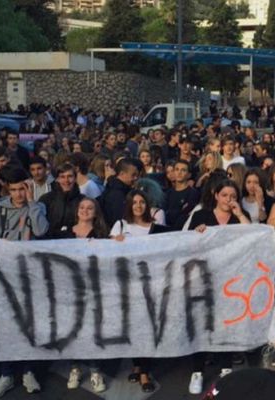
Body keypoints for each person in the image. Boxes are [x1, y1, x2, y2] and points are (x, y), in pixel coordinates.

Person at [0, 167, 49, 397]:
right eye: (14, 190)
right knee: (6, 325)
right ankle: (6, 374)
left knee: (29, 323)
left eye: (22, 189)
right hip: (6, 275)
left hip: (31, 275)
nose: (18, 194)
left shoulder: (38, 206)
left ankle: (28, 371)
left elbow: (41, 231)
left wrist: (32, 203)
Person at [187, 180, 250, 395]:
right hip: (204, 278)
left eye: (233, 196)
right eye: (224, 195)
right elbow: (186, 243)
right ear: (216, 195)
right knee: (202, 322)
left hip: (231, 280)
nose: (228, 200)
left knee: (226, 322)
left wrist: (240, 214)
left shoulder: (238, 218)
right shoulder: (201, 216)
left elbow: (251, 237)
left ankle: (225, 367)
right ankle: (198, 370)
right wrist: (197, 233)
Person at [109, 190, 171, 393]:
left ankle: (144, 371)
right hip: (127, 286)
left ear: (147, 205)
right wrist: (113, 242)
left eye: (142, 202)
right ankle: (137, 364)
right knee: (133, 327)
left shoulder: (157, 228)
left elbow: (179, 241)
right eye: (134, 202)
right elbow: (107, 254)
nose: (138, 205)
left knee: (147, 328)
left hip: (150, 285)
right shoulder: (120, 225)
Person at [39, 162, 84, 238]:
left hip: (75, 240)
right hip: (50, 241)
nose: (66, 180)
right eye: (62, 177)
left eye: (70, 176)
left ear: (75, 178)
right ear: (57, 179)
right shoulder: (46, 199)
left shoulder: (83, 200)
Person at [100, 158, 139, 228]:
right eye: (133, 175)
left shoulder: (115, 188)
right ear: (122, 174)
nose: (136, 178)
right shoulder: (117, 195)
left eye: (137, 175)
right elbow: (120, 219)